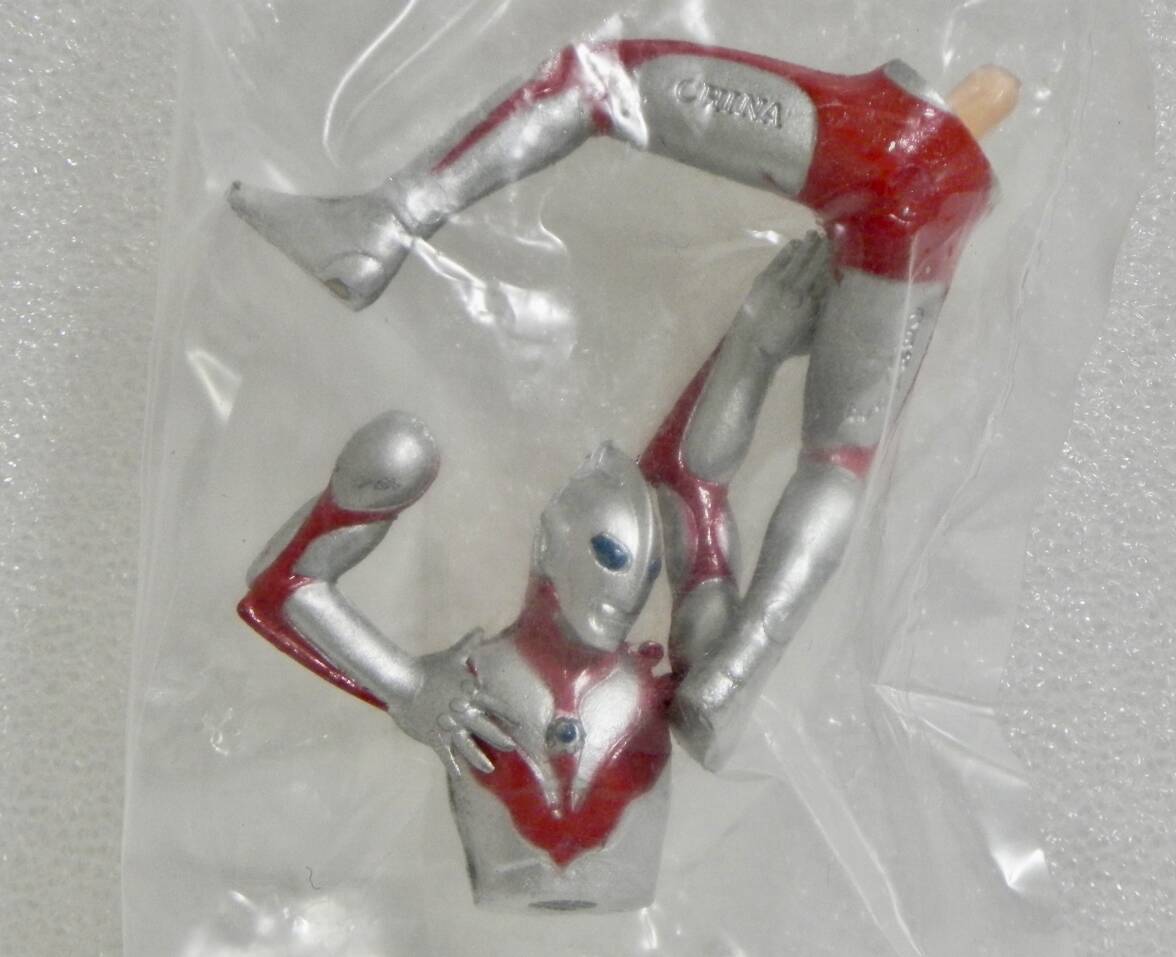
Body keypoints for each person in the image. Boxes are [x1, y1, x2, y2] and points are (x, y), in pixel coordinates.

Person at [232, 40, 1017, 780]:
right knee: (838, 461)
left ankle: (387, 221)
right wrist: (753, 345)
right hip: (934, 198)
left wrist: (756, 343)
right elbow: (691, 477)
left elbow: (691, 478)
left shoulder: (672, 584)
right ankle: (739, 677)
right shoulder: (679, 582)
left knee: (598, 79)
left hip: (902, 150)